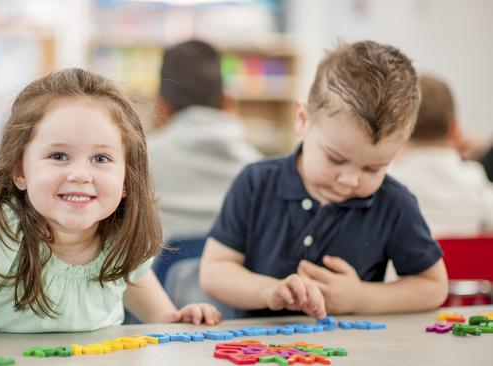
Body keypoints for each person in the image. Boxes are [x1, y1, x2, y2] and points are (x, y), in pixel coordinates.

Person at [0, 68, 221, 364]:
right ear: (20, 171)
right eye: (59, 155)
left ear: (127, 181)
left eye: (101, 159)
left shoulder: (120, 240)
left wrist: (182, 318)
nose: (80, 174)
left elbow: (161, 320)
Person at [199, 41, 448, 319]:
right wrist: (268, 291)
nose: (350, 180)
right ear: (303, 119)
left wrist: (361, 298)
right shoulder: (255, 183)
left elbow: (434, 286)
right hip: (253, 354)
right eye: (336, 159)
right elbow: (214, 270)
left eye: (373, 168)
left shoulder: (394, 203)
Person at [148, 40, 262, 284]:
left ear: (161, 106)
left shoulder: (138, 162)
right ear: (228, 102)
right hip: (235, 307)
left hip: (154, 307)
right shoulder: (258, 169)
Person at [389, 75, 493, 237]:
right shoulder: (473, 178)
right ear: (455, 128)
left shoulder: (390, 178)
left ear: (401, 129)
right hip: (462, 262)